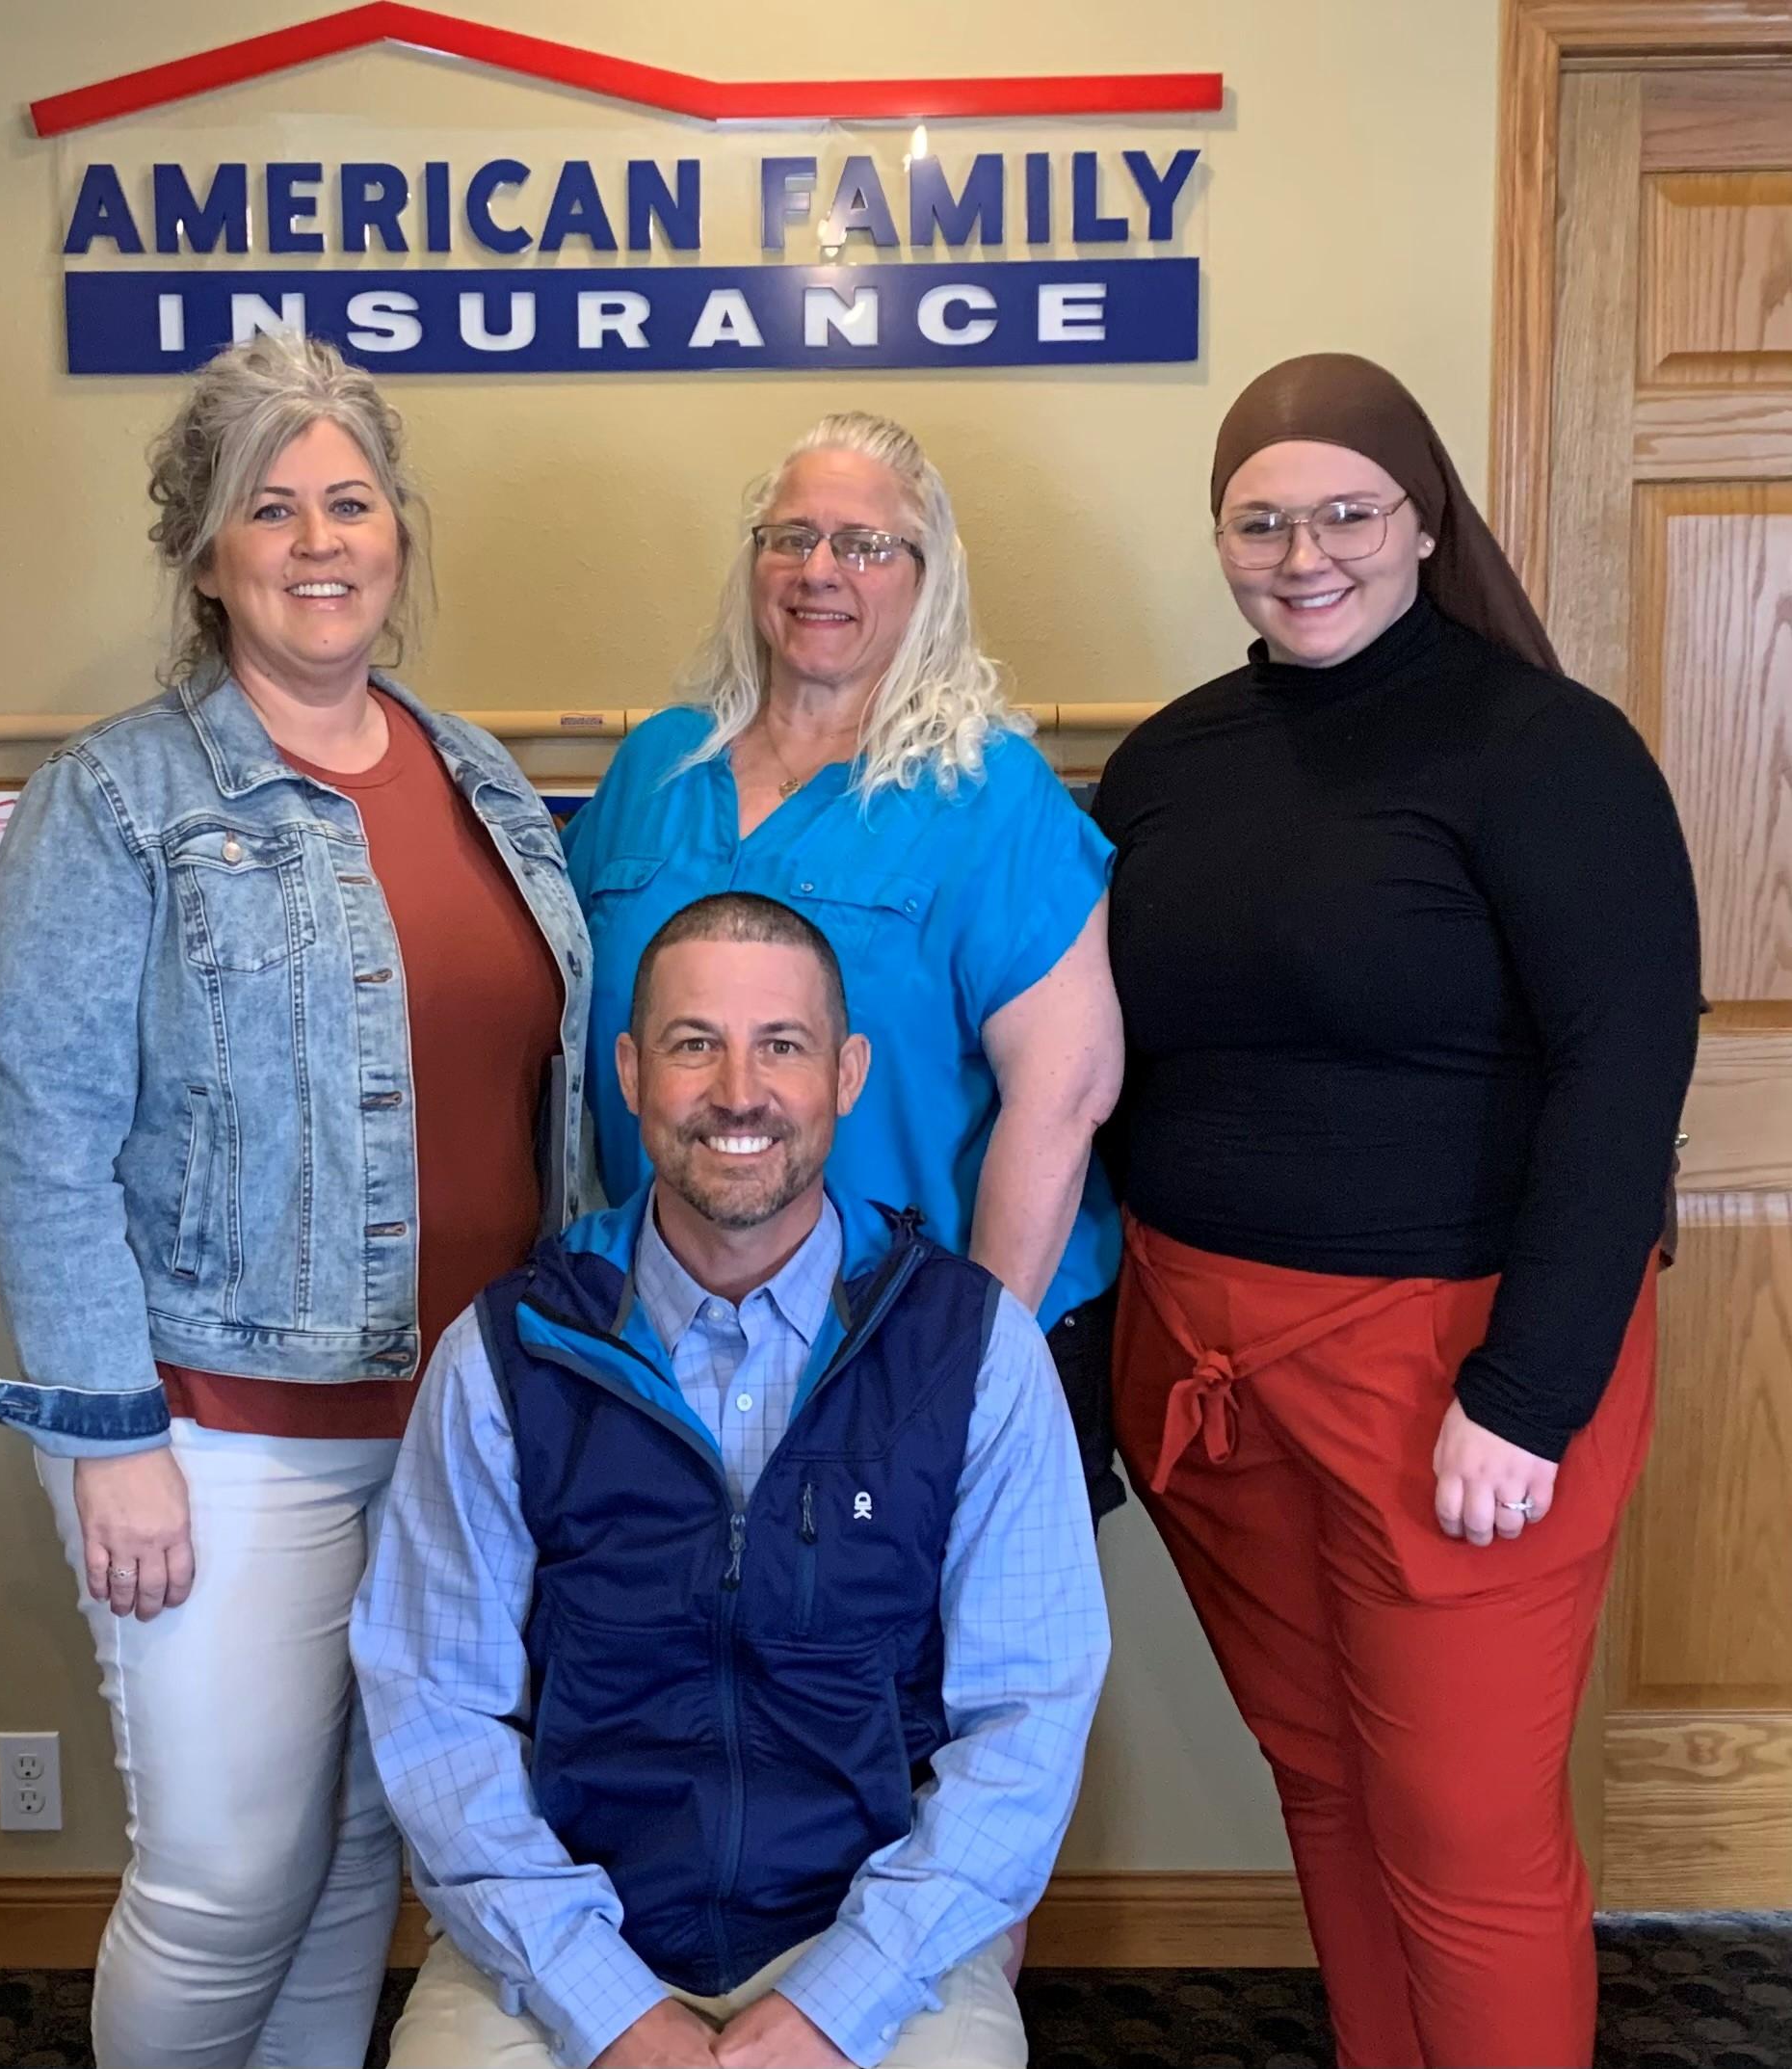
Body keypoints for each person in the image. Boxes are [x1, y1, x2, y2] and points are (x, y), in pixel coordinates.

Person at [0, 330, 591, 2069]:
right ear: (208, 555)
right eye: (271, 509)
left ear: (400, 528)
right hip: (221, 1428)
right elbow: (38, 1125)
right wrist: (111, 1435)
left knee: (357, 1862)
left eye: (352, 499)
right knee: (228, 1873)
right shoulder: (119, 797)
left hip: (469, 1421)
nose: (322, 541)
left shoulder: (475, 776)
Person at [1091, 353, 1700, 2069]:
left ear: (1424, 520)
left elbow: (1624, 1066)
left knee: (1467, 1841)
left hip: (1462, 1374)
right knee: (1329, 1785)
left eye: (1347, 511)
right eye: (1261, 521)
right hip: (1208, 1366)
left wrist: (1528, 1395)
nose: (1306, 554)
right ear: (1220, 537)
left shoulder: (1547, 751)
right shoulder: (1164, 768)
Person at [354, 893, 1109, 2069]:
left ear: (847, 1073)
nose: (738, 1090)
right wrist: (604, 2004)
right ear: (630, 1071)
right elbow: (436, 1710)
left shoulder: (972, 1351)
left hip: (869, 1929)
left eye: (783, 1046)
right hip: (569, 1930)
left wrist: (837, 2001)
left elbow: (1028, 1719)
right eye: (694, 1042)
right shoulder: (510, 1352)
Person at [566, 412, 1126, 1521]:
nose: (819, 571)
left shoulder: (989, 789)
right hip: (669, 1331)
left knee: (919, 1677)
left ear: (927, 578)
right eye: (790, 537)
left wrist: (976, 1366)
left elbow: (1061, 1098)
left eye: (864, 545)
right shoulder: (656, 768)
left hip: (916, 1329)